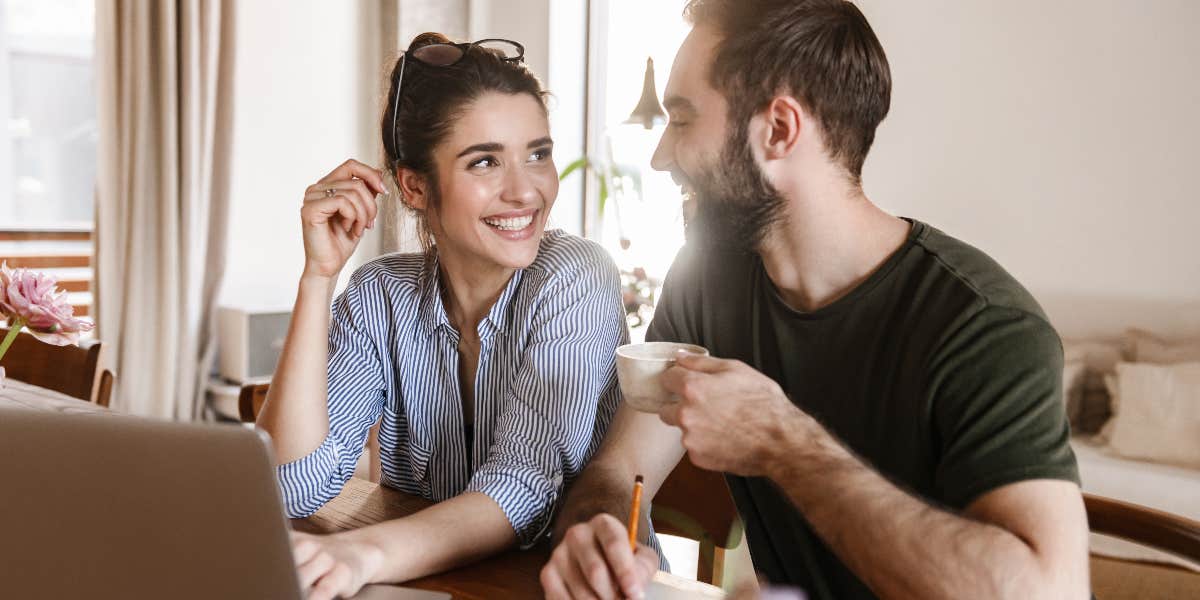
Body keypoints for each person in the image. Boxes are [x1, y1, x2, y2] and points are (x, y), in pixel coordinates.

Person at [540, 1, 1090, 599]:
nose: (660, 156)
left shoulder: (985, 327)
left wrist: (783, 440)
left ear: (778, 130)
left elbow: (1046, 591)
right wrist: (600, 533)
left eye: (682, 120)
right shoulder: (708, 283)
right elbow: (621, 470)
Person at [255, 32, 627, 600]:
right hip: (442, 586)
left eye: (538, 154)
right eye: (485, 162)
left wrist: (360, 554)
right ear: (415, 185)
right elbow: (291, 486)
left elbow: (521, 490)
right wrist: (318, 277)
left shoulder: (575, 275)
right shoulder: (380, 292)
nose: (525, 190)